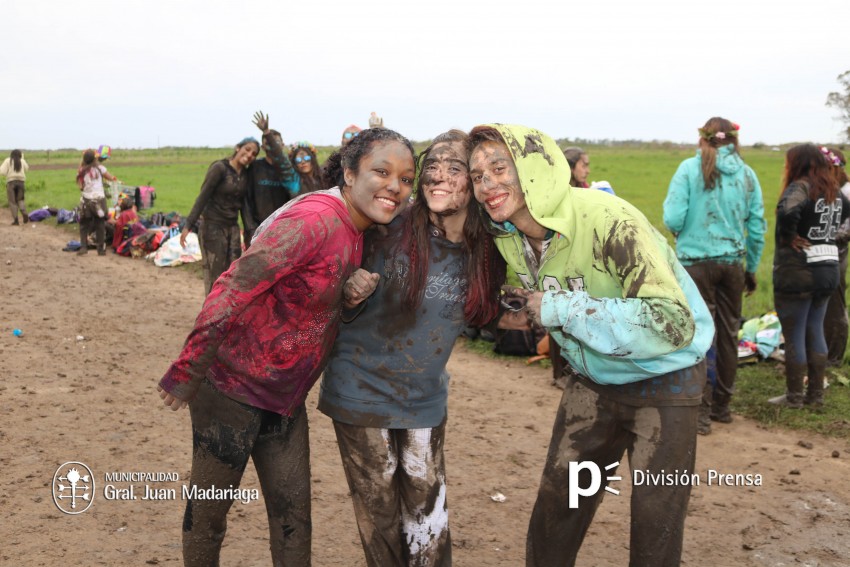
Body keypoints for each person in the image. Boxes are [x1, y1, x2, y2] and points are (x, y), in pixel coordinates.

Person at [156, 127, 416, 566]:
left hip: (283, 399)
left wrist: (350, 299)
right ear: (349, 174)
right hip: (230, 391)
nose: (395, 186)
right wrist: (188, 369)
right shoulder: (315, 221)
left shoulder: (358, 228)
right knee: (210, 514)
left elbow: (312, 305)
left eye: (407, 179)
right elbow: (232, 286)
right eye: (382, 171)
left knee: (293, 517)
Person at [467, 124, 713, 567]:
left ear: (535, 167)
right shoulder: (508, 239)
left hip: (666, 379)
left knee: (655, 520)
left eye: (499, 167)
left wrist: (560, 309)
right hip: (594, 381)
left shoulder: (607, 220)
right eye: (478, 175)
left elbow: (673, 323)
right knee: (558, 509)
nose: (487, 184)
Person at [318, 130, 505, 566]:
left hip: (423, 397)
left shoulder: (489, 248)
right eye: (431, 169)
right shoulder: (390, 225)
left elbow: (487, 313)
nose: (438, 177)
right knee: (378, 510)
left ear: (475, 182)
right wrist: (347, 295)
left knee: (427, 513)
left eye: (454, 169)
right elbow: (325, 285)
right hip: (360, 390)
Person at [662, 117, 766, 434]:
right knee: (728, 333)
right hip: (733, 264)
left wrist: (687, 231)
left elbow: (672, 217)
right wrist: (751, 267)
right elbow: (757, 226)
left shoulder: (688, 170)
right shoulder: (747, 175)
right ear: (733, 141)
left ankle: (701, 411)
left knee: (699, 335)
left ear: (703, 139)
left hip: (695, 264)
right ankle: (722, 406)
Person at [771, 144, 850, 409]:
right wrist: (829, 236)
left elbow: (787, 211)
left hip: (798, 271)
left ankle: (794, 397)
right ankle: (815, 395)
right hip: (828, 268)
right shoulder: (835, 192)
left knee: (794, 334)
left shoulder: (800, 187)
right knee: (815, 328)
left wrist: (788, 236)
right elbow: (847, 212)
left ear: (798, 163)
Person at [180, 137, 259, 295]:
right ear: (238, 148)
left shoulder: (245, 175)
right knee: (215, 276)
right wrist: (188, 225)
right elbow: (203, 196)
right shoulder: (220, 168)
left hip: (233, 229)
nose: (250, 154)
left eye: (254, 153)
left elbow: (243, 206)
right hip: (212, 227)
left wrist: (251, 233)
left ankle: (226, 317)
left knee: (233, 275)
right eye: (247, 149)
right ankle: (210, 316)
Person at [243, 112, 298, 243]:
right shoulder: (254, 167)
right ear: (262, 147)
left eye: (276, 142)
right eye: (268, 143)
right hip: (257, 230)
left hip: (284, 230)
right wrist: (251, 229)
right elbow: (246, 201)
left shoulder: (289, 170)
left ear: (282, 145)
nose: (272, 145)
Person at [823, 147, 850, 368]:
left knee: (836, 306)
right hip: (823, 255)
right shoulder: (827, 189)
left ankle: (835, 356)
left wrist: (823, 235)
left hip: (837, 257)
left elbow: (846, 231)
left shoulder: (848, 191)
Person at [76, 149, 120, 255]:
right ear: (95, 158)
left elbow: (81, 187)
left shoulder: (82, 170)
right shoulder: (100, 168)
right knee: (100, 224)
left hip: (86, 201)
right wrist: (115, 179)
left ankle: (83, 247)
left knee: (84, 224)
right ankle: (101, 249)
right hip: (100, 201)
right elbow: (110, 178)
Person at [1, 149, 28, 225]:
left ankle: (16, 220)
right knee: (20, 200)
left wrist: (7, 174)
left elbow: (2, 172)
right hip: (21, 183)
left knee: (12, 202)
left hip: (11, 183)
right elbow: (27, 168)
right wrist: (22, 158)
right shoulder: (22, 161)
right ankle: (24, 212)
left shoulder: (7, 161)